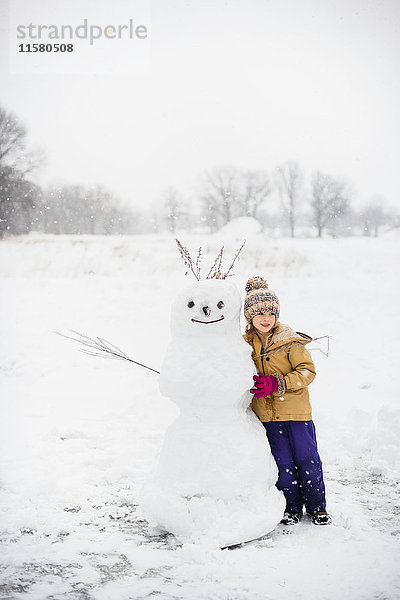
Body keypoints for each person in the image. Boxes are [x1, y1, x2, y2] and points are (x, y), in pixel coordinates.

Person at [243, 276, 331, 526]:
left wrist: (278, 383)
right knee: (281, 462)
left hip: (297, 413)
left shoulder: (289, 340)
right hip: (267, 415)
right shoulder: (244, 344)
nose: (266, 318)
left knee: (307, 458)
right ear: (250, 316)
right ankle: (291, 507)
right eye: (260, 313)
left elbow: (307, 371)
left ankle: (316, 506)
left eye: (271, 312)